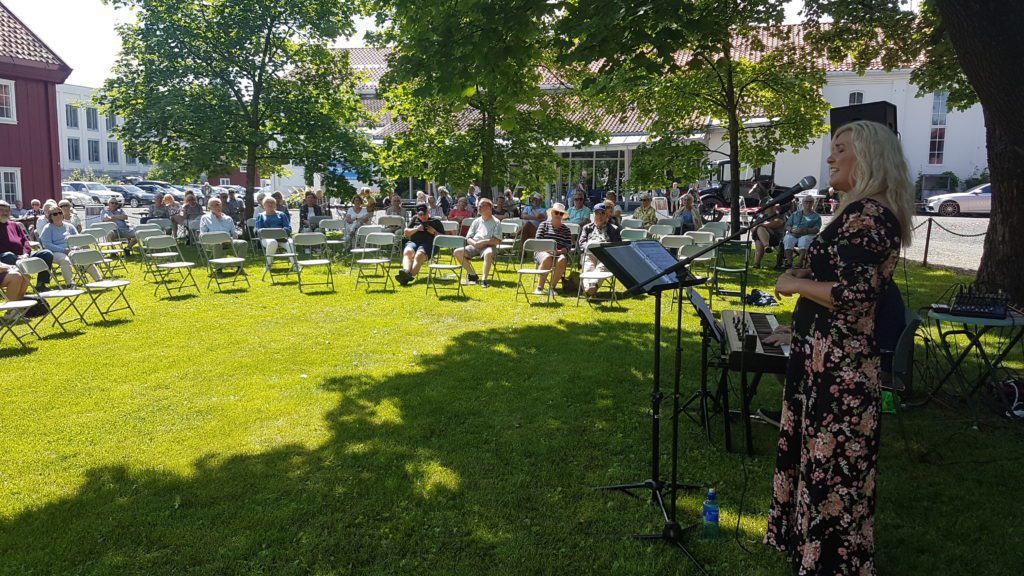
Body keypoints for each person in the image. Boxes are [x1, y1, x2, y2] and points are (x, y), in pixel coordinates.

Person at [765, 120, 915, 576]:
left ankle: (830, 563)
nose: (830, 158)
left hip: (839, 367)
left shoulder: (868, 215)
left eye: (841, 149)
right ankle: (813, 555)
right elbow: (847, 285)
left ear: (868, 157)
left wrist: (794, 284)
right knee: (822, 463)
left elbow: (856, 295)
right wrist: (805, 301)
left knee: (832, 469)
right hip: (826, 355)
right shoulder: (863, 211)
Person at [38, 207, 100, 288]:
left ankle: (98, 280)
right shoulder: (48, 228)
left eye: (60, 213)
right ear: (50, 217)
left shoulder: (69, 226)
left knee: (84, 256)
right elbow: (47, 244)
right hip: (55, 252)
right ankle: (70, 283)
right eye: (55, 214)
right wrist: (63, 250)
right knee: (65, 260)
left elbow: (77, 239)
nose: (58, 215)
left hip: (71, 249)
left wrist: (76, 247)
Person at [0, 200, 54, 291]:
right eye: (1, 210)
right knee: (9, 255)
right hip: (5, 257)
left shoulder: (15, 225)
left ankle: (41, 284)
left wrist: (25, 254)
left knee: (47, 254)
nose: (4, 213)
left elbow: (25, 241)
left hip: (23, 255)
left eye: (7, 210)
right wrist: (18, 257)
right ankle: (17, 282)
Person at [453, 198, 501, 288]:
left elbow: (496, 240)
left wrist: (484, 242)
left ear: (488, 207)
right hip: (474, 245)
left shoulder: (496, 222)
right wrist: (475, 244)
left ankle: (484, 280)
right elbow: (468, 238)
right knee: (457, 252)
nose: (478, 207)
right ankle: (472, 274)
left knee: (488, 253)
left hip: (488, 246)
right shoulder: (476, 221)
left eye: (481, 206)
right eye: (478, 206)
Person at [578, 201, 622, 297]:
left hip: (605, 255)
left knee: (602, 267)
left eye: (602, 213)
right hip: (590, 253)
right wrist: (589, 248)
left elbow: (617, 245)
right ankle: (590, 289)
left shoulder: (614, 229)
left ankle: (590, 288)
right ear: (593, 215)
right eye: (597, 213)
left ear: (606, 215)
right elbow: (582, 243)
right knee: (588, 267)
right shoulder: (587, 228)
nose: (600, 216)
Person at [396, 204, 445, 286]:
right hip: (414, 243)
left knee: (419, 255)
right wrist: (416, 229)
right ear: (417, 214)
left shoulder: (435, 221)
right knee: (408, 251)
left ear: (428, 212)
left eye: (424, 214)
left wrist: (434, 232)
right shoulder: (415, 220)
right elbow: (406, 233)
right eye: (420, 214)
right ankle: (406, 272)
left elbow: (443, 238)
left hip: (430, 244)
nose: (422, 216)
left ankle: (406, 276)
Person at [533, 202, 572, 296]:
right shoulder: (543, 225)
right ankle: (539, 287)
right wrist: (548, 251)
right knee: (547, 258)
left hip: (558, 253)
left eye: (561, 213)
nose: (558, 215)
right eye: (556, 212)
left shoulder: (566, 230)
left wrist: (559, 251)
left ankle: (551, 287)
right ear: (552, 213)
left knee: (562, 259)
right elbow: (538, 242)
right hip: (542, 251)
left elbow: (568, 246)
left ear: (563, 216)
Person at [254, 196, 294, 271]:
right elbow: (258, 230)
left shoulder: (282, 215)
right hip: (267, 239)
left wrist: (281, 232)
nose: (270, 204)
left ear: (275, 205)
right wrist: (270, 233)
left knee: (291, 243)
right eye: (267, 203)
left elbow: (288, 228)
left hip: (282, 238)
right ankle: (268, 266)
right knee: (272, 242)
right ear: (263, 205)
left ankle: (295, 266)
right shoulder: (260, 216)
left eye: (272, 203)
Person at [781, 195, 822, 268]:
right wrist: (791, 230)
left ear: (813, 203)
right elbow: (787, 225)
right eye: (806, 202)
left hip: (807, 234)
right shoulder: (795, 214)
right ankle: (789, 262)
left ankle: (800, 262)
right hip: (793, 233)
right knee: (788, 239)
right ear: (803, 203)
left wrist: (805, 230)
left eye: (810, 202)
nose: (808, 204)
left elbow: (816, 229)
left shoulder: (816, 216)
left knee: (804, 240)